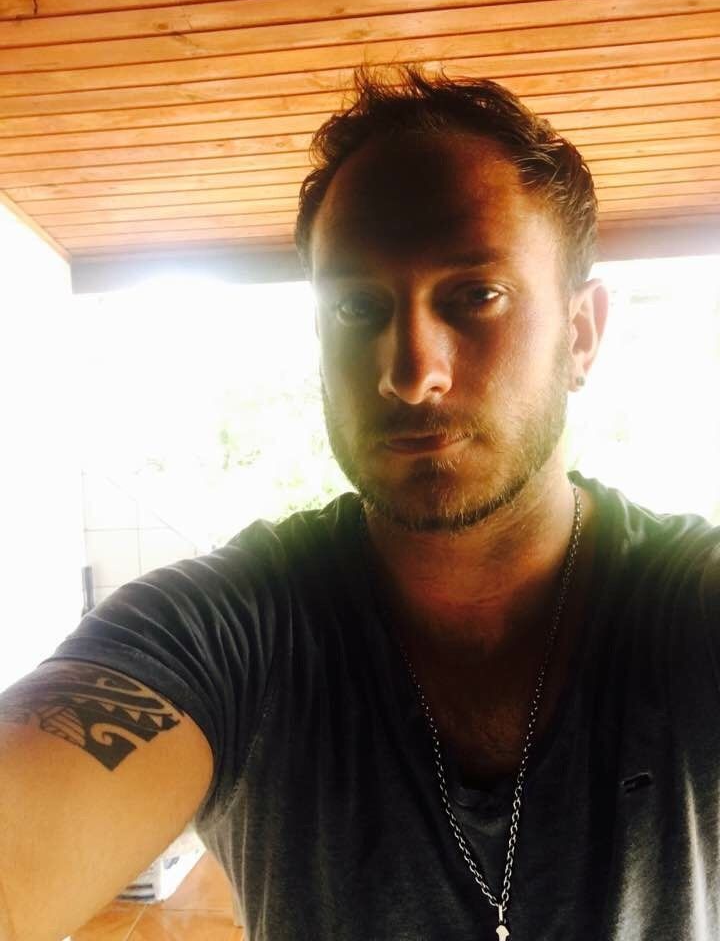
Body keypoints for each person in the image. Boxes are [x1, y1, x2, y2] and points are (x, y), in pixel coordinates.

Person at [0, 66, 718, 941]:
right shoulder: (230, 631)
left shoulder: (686, 605)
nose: (410, 373)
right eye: (356, 307)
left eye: (476, 295)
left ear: (581, 333)